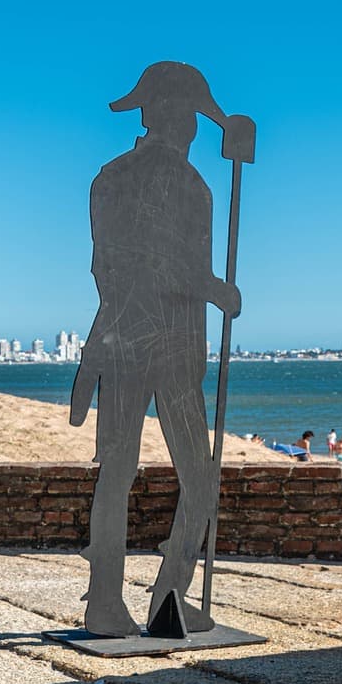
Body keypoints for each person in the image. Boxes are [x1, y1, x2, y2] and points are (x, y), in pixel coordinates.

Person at [67, 62, 244, 637]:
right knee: (199, 475)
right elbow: (156, 264)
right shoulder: (190, 187)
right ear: (179, 117)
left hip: (117, 340)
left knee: (117, 473)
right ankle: (167, 593)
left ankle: (109, 602)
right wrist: (215, 289)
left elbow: (106, 266)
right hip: (165, 349)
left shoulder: (109, 176)